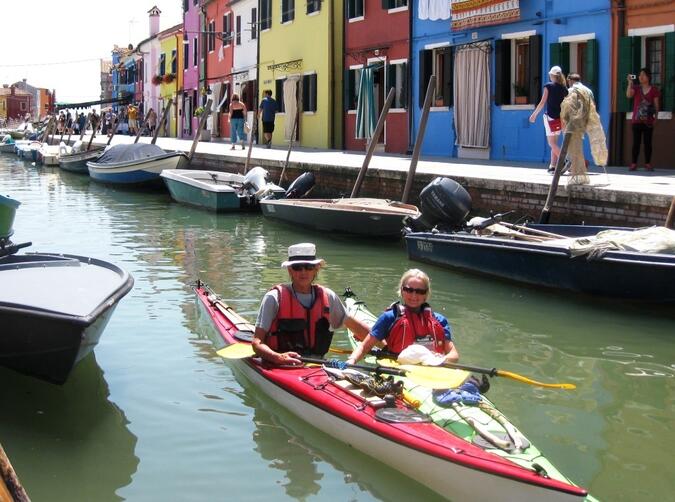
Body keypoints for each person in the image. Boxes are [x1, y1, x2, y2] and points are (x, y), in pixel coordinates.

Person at [253, 243, 371, 366]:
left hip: (316, 365)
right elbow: (257, 343)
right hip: (280, 366)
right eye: (297, 267)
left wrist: (384, 345)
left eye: (308, 267)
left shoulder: (328, 297)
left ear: (316, 268)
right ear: (290, 270)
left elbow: (356, 327)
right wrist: (278, 358)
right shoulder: (273, 298)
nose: (303, 272)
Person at [347, 269, 459, 365]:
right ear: (402, 290)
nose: (414, 295)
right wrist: (351, 361)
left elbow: (454, 355)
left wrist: (439, 361)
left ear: (426, 294)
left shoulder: (439, 320)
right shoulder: (389, 317)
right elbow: (364, 347)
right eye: (409, 290)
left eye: (420, 291)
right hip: (397, 367)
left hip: (431, 368)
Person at [529, 66, 568, 173]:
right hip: (559, 119)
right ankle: (553, 166)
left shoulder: (548, 86)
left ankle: (565, 160)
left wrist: (534, 115)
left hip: (550, 118)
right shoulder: (564, 88)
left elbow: (542, 102)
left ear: (552, 75)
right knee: (555, 143)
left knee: (551, 143)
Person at [626, 68, 660, 172]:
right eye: (640, 75)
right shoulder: (636, 88)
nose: (641, 77)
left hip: (648, 121)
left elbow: (656, 105)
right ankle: (634, 163)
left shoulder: (654, 90)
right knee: (636, 143)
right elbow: (628, 95)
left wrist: (656, 118)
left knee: (648, 143)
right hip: (636, 121)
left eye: (643, 75)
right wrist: (630, 83)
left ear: (648, 77)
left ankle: (647, 164)